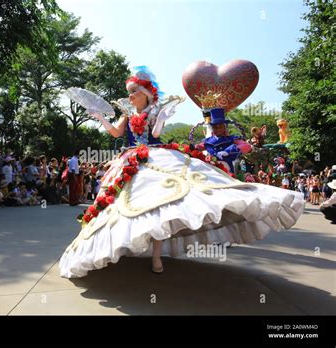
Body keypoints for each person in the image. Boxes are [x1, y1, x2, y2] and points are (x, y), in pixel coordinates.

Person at [59, 66, 305, 278]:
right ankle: (124, 245)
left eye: (134, 91)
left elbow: (155, 136)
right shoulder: (127, 113)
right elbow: (115, 133)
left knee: (162, 203)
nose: (131, 96)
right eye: (130, 92)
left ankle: (156, 257)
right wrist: (99, 118)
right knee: (126, 205)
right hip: (129, 158)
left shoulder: (154, 111)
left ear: (145, 93)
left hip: (154, 156)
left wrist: (162, 118)